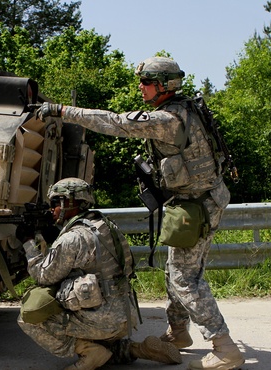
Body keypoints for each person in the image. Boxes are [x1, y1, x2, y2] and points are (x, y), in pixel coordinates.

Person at [36, 57, 245, 370]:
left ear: (163, 85)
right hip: (200, 201)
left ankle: (224, 347)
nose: (141, 87)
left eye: (146, 82)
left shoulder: (168, 118)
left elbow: (115, 122)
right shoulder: (187, 108)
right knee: (176, 271)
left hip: (196, 206)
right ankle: (177, 334)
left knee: (185, 278)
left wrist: (62, 111)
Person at [17, 177, 181, 370]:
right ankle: (138, 349)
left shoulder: (72, 238)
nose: (52, 210)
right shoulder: (105, 225)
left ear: (69, 202)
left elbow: (43, 276)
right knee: (105, 346)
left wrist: (28, 242)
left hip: (101, 320)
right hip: (124, 316)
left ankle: (88, 351)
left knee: (29, 316)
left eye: (55, 203)